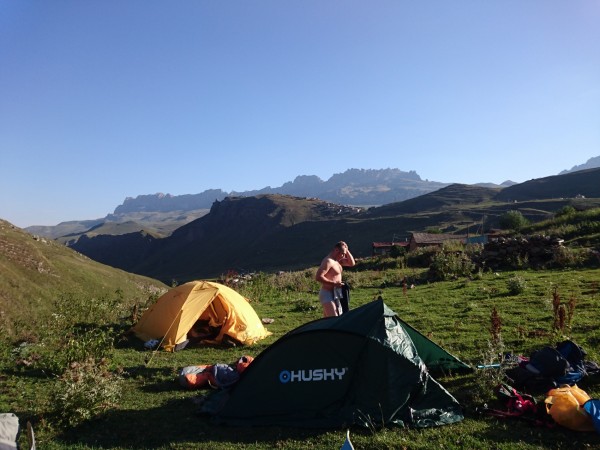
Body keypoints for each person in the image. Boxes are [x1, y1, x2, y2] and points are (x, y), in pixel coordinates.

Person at [315, 241, 355, 317]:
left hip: (336, 293)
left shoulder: (337, 261)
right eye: (342, 253)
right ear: (336, 250)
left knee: (329, 319)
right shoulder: (328, 261)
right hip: (327, 293)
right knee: (334, 318)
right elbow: (318, 277)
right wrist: (334, 283)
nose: (344, 256)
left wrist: (346, 250)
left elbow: (351, 263)